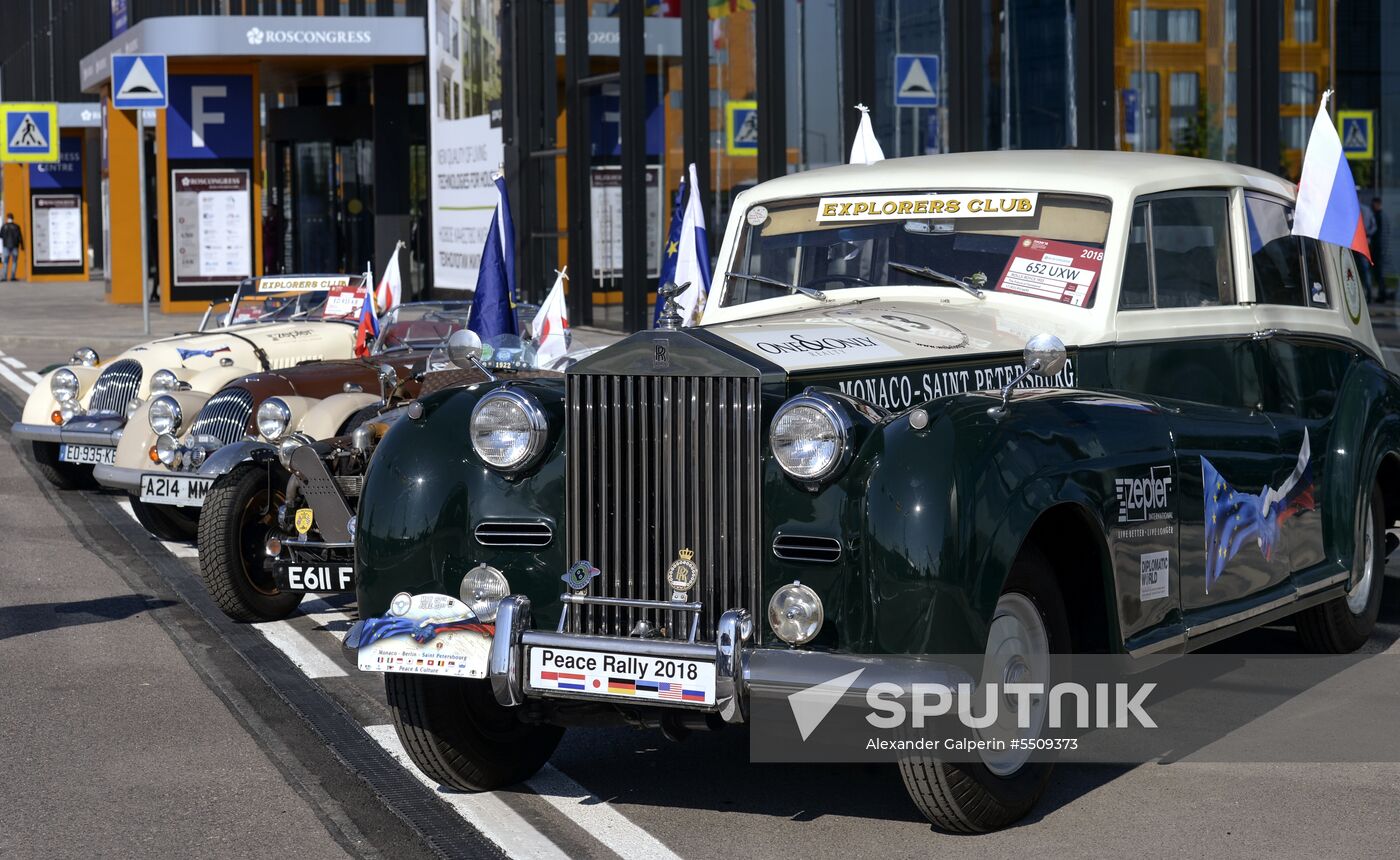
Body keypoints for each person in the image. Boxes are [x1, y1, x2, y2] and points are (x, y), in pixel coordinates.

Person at [1370, 197, 1387, 302]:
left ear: (1377, 204)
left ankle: (1382, 295)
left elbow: (1376, 232)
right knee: (1379, 273)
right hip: (1380, 247)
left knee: (1379, 273)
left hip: (1378, 248)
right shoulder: (1382, 215)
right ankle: (1382, 294)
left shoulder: (1378, 216)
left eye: (1373, 204)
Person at [0, 213, 23, 281]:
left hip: (6, 246)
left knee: (6, 262)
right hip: (15, 246)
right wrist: (22, 246)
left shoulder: (4, 226)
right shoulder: (17, 226)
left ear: (7, 218)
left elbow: (1, 235)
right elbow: (20, 237)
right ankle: (12, 277)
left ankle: (4, 277)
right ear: (13, 218)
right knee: (14, 262)